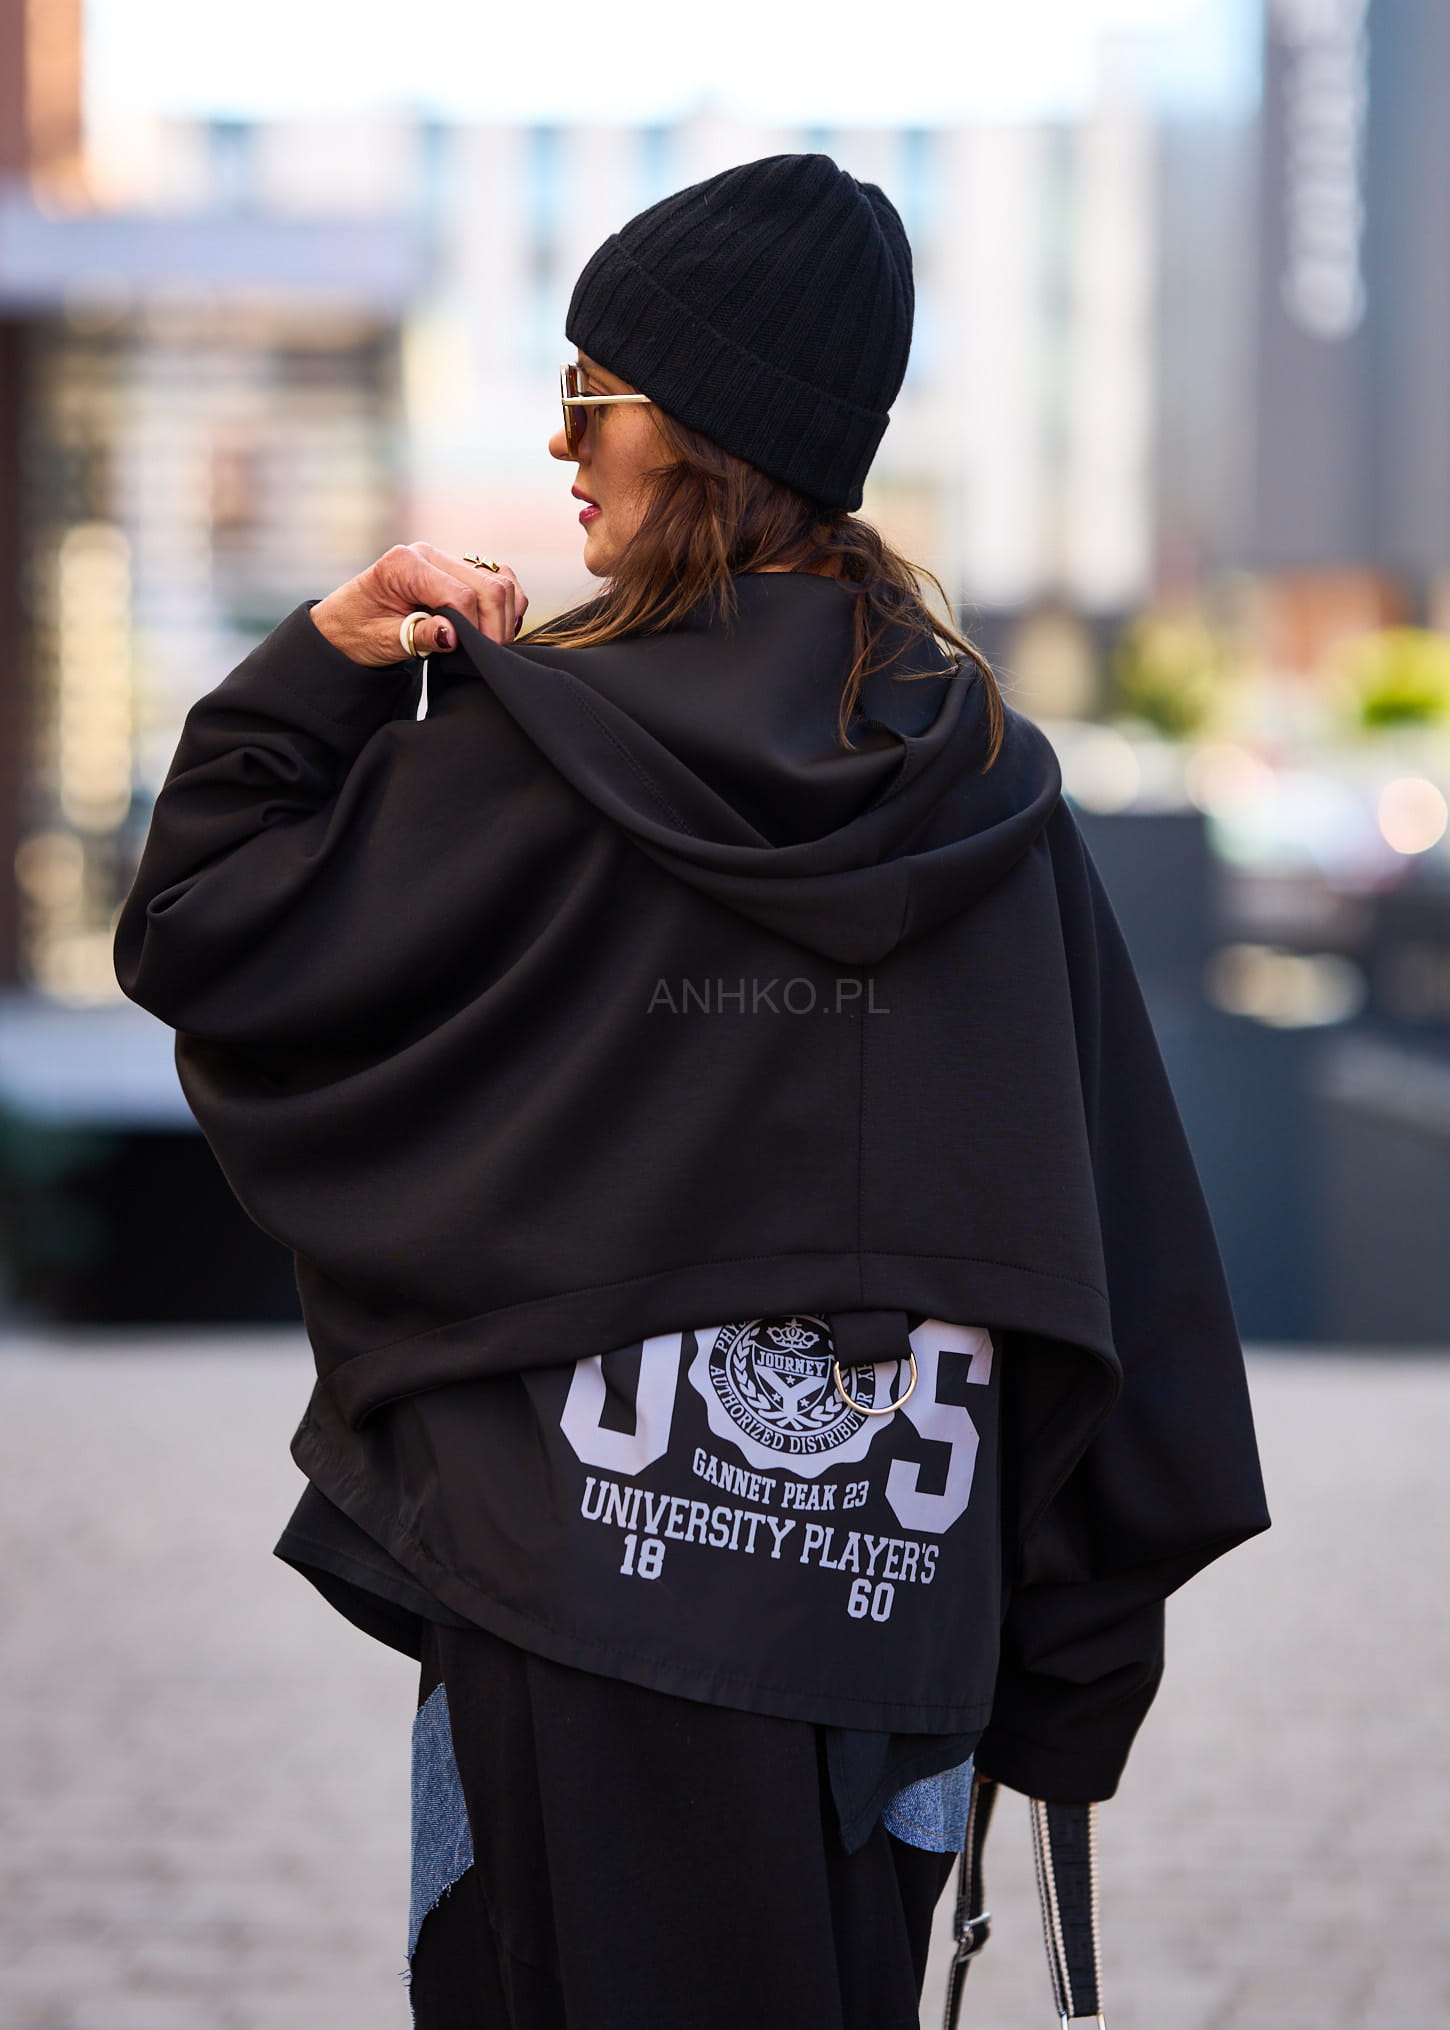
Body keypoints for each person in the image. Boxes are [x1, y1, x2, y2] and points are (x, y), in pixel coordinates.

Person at [115, 153, 1269, 2029]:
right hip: (890, 1616)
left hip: (560, 1597)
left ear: (710, 433)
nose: (560, 444)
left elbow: (200, 926)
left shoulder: (531, 750)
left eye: (592, 396)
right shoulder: (990, 786)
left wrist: (322, 662)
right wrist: (1063, 1675)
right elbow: (1112, 1245)